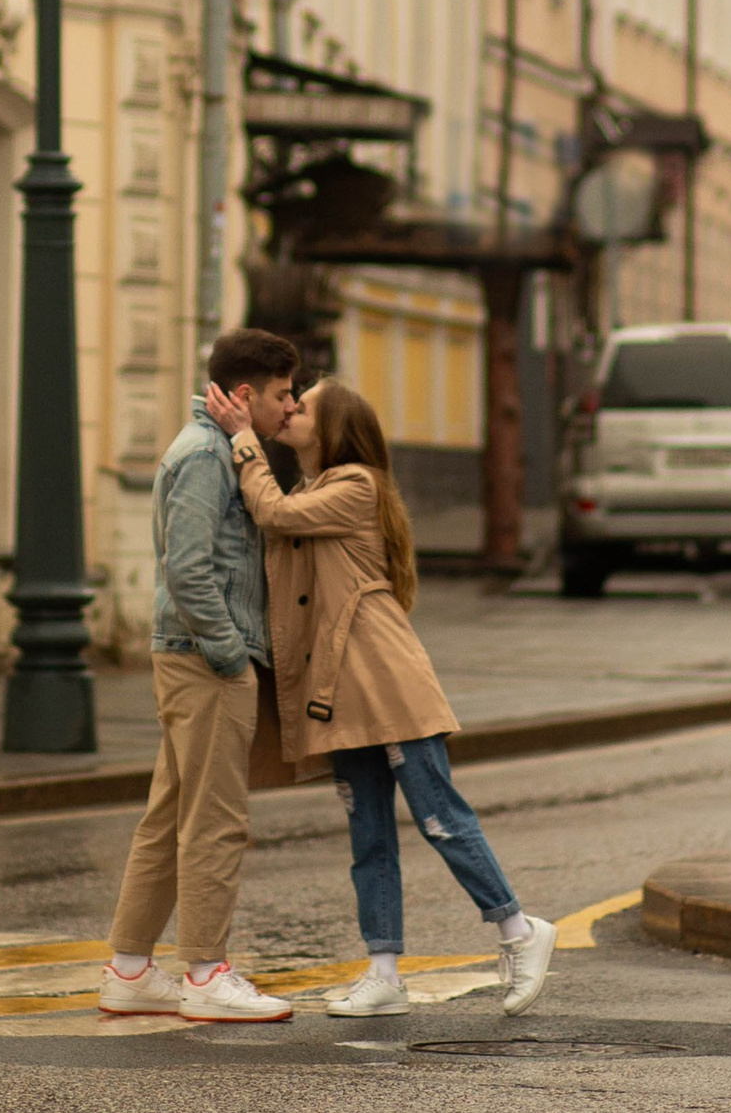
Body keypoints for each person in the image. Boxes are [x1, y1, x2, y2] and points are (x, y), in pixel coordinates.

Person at [206, 373, 556, 1018]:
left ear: (333, 426)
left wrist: (244, 441)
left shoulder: (355, 486)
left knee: (438, 815)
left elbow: (274, 514)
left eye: (301, 405)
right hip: (340, 687)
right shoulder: (317, 485)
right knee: (367, 830)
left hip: (385, 680)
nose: (289, 409)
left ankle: (518, 930)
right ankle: (384, 971)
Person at [97, 329, 305, 1026]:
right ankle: (206, 971)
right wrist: (227, 654)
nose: (291, 405)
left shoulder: (213, 451)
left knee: (169, 817)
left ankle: (130, 969)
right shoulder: (207, 457)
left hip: (192, 654)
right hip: (206, 659)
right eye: (282, 393)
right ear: (245, 395)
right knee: (216, 820)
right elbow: (186, 569)